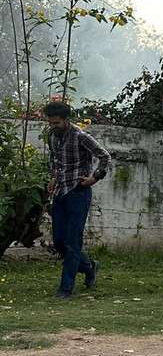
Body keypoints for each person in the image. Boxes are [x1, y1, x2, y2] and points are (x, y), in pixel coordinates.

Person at [43, 100, 111, 299]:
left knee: (73, 241)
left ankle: (66, 288)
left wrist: (94, 178)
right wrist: (53, 179)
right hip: (60, 192)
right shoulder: (52, 136)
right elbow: (55, 160)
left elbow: (104, 156)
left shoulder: (81, 137)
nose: (52, 126)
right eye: (50, 123)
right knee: (59, 241)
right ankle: (89, 267)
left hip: (78, 192)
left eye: (56, 123)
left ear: (65, 119)